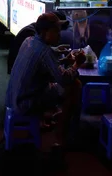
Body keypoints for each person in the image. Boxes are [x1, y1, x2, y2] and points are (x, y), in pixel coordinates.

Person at [6, 13, 83, 148]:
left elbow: (43, 63)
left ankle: (51, 118)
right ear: (44, 32)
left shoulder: (29, 41)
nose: (59, 35)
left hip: (13, 98)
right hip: (24, 104)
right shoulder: (44, 52)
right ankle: (61, 137)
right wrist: (77, 64)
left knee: (49, 85)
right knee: (74, 85)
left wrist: (60, 56)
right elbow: (64, 79)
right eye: (56, 31)